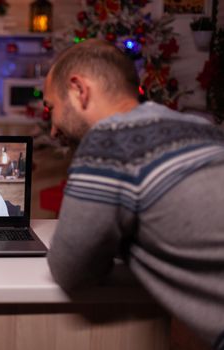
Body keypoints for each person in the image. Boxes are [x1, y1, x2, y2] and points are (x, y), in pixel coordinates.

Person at [44, 39, 224, 350]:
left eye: (52, 108)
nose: (53, 129)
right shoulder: (202, 127)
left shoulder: (109, 140)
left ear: (79, 90)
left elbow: (70, 270)